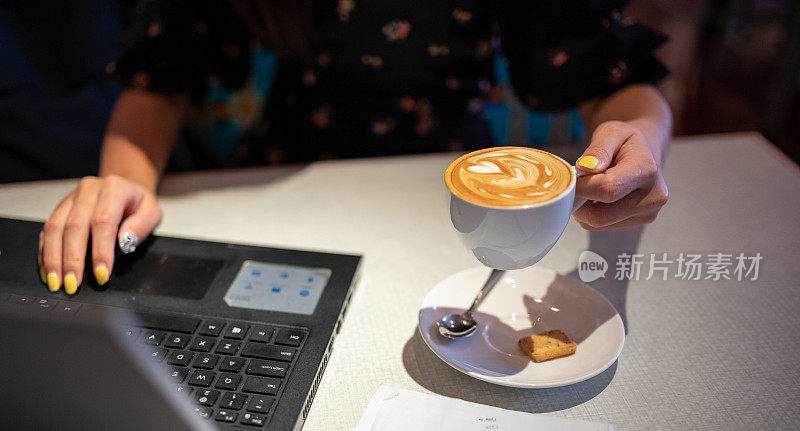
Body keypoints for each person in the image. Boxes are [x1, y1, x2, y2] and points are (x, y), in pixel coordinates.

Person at [37, 0, 672, 295]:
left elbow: (618, 85)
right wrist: (127, 181)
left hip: (452, 200)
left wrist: (639, 140)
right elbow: (159, 77)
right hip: (288, 188)